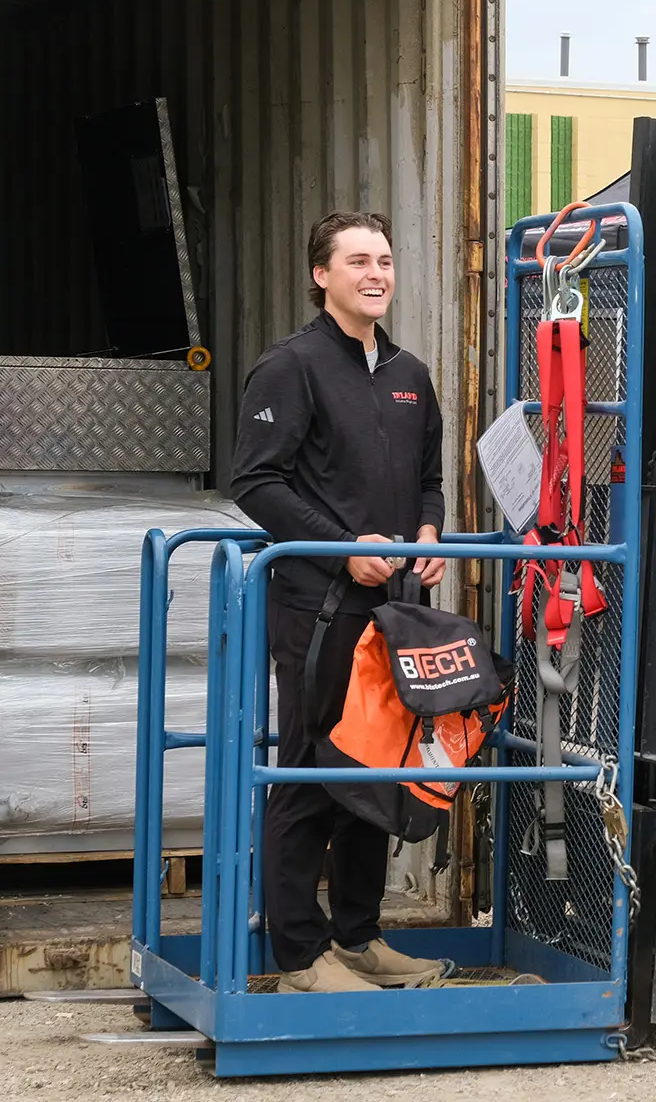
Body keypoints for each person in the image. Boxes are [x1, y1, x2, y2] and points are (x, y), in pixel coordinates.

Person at [229, 210, 455, 994]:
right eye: (358, 260)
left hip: (395, 611)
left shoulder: (409, 374)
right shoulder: (290, 368)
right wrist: (342, 549)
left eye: (386, 260)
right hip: (320, 606)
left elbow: (430, 477)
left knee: (377, 772)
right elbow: (255, 482)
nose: (376, 274)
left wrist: (427, 531)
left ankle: (358, 937)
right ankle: (298, 954)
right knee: (310, 770)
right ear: (321, 274)